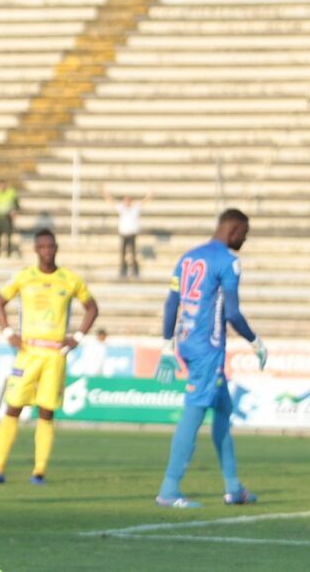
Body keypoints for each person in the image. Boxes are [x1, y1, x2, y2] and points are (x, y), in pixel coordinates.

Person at [155, 209, 266, 508]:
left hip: (186, 342)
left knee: (223, 408)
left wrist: (167, 343)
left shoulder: (188, 257)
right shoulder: (228, 261)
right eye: (245, 233)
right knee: (194, 412)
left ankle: (233, 488)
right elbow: (232, 313)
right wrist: (254, 340)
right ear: (233, 229)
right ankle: (169, 489)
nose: (245, 238)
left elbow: (171, 302)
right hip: (208, 348)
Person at [0, 229, 98, 485]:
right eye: (42, 247)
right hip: (28, 352)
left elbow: (92, 307)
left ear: (56, 248)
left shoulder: (70, 280)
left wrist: (76, 337)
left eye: (51, 246)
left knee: (46, 412)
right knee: (13, 406)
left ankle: (39, 471)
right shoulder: (24, 277)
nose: (47, 250)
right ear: (36, 250)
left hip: (54, 354)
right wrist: (8, 332)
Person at [104, 190, 151, 279]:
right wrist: (107, 195)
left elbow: (144, 201)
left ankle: (135, 271)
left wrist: (149, 195)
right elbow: (112, 202)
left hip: (132, 234)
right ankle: (123, 270)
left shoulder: (135, 208)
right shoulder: (122, 208)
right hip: (124, 234)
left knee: (133, 253)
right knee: (123, 253)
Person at [0, 180, 18, 258]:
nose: (2, 187)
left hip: (7, 216)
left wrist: (14, 211)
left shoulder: (11, 192)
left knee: (8, 235)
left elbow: (16, 203)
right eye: (0, 186)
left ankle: (9, 252)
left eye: (3, 185)